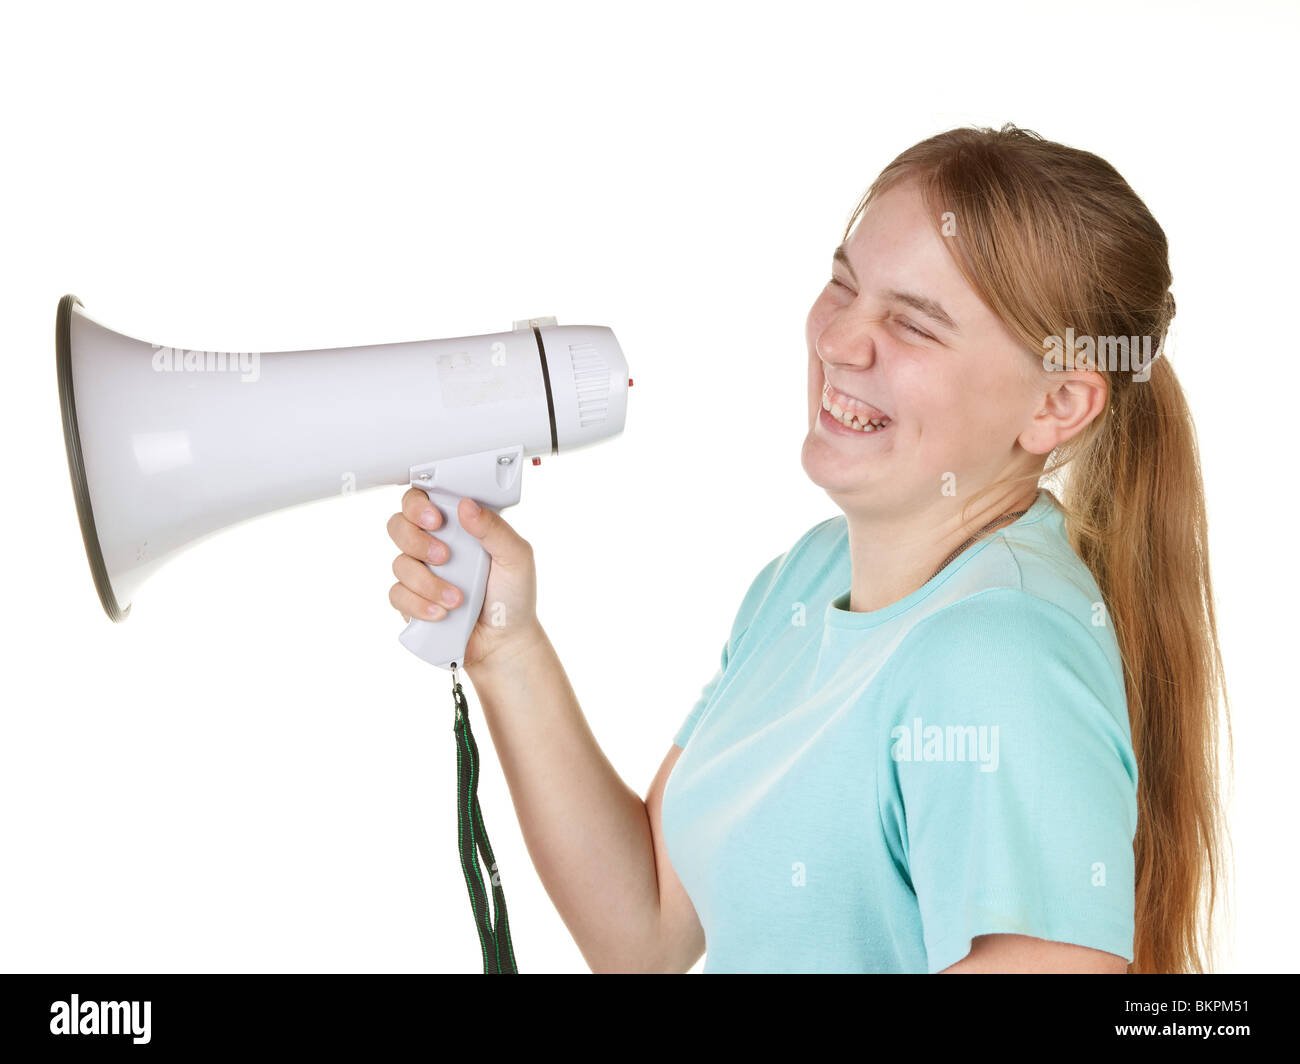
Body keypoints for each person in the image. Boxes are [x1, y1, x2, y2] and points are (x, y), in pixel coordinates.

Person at [386, 123, 1228, 974]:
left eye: (914, 324)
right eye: (843, 283)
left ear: (1056, 405)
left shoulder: (999, 649)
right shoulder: (811, 575)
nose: (838, 341)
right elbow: (645, 929)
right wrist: (507, 648)